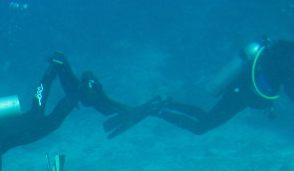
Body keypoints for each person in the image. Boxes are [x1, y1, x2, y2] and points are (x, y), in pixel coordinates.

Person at [103, 37, 294, 137]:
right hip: (242, 94)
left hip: (242, 90)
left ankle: (165, 103)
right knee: (201, 127)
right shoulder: (288, 57)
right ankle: (157, 111)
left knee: (205, 117)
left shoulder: (285, 51)